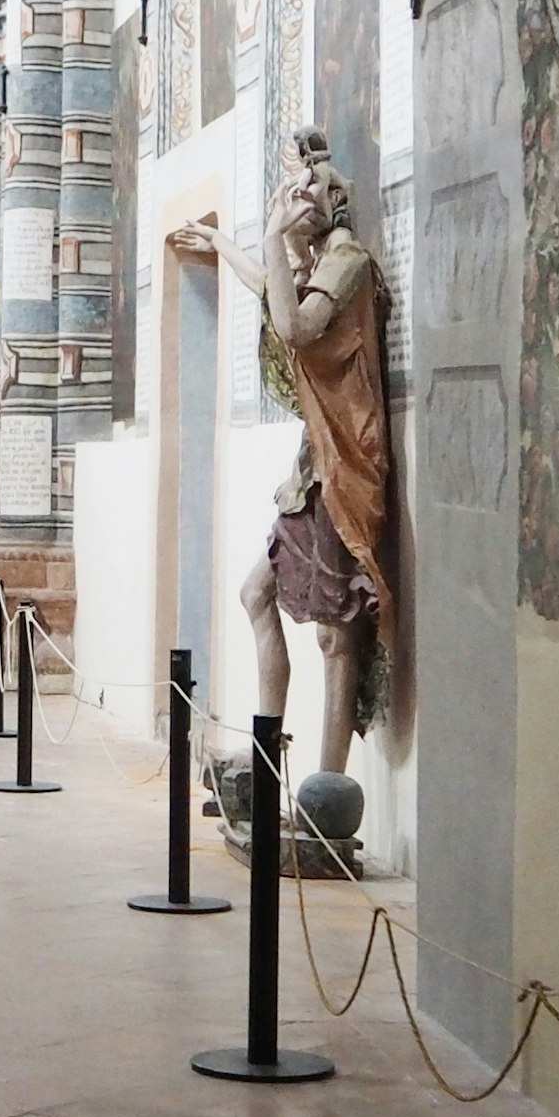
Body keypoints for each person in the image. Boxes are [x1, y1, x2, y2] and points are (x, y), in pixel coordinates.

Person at [170, 129, 394, 786]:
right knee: (255, 593)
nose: (300, 198)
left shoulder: (347, 258)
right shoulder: (319, 260)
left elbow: (295, 326)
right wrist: (225, 246)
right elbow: (273, 296)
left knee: (337, 634)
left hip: (346, 459)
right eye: (295, 191)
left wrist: (270, 239)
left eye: (311, 191)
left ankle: (327, 795)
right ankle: (268, 759)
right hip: (315, 462)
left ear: (334, 202)